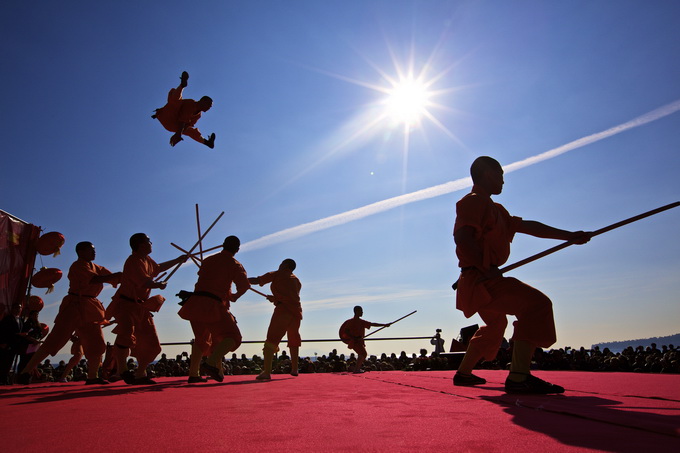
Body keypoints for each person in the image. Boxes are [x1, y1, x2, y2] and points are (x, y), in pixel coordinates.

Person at [452, 156, 591, 394]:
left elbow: (528, 226)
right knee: (536, 305)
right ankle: (519, 377)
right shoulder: (473, 202)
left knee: (496, 325)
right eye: (501, 175)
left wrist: (569, 236)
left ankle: (463, 374)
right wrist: (485, 268)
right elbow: (462, 238)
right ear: (488, 174)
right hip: (483, 279)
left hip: (479, 278)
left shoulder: (496, 210)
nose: (503, 182)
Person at [18, 242, 122, 385]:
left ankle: (92, 376)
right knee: (54, 340)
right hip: (74, 306)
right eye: (91, 250)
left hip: (90, 309)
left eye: (94, 250)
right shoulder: (77, 266)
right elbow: (94, 279)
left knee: (97, 343)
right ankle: (26, 371)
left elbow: (112, 277)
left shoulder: (97, 267)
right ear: (80, 251)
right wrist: (116, 275)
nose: (94, 252)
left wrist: (129, 277)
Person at [106, 233, 186, 385]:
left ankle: (140, 372)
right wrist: (158, 285)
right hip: (126, 305)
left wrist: (177, 260)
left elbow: (158, 268)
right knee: (126, 335)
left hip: (141, 307)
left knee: (153, 344)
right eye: (149, 241)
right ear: (141, 244)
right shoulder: (133, 261)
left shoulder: (146, 260)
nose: (151, 243)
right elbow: (143, 282)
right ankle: (122, 371)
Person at [178, 236, 249, 383]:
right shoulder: (235, 264)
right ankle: (211, 363)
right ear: (237, 249)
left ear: (222, 245)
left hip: (195, 303)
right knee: (233, 337)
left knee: (201, 339)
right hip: (213, 304)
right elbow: (244, 286)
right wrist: (234, 296)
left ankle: (194, 373)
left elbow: (203, 275)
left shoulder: (208, 260)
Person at [248, 258, 302, 380]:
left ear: (286, 266)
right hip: (296, 312)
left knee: (271, 340)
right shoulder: (297, 281)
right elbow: (290, 296)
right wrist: (276, 299)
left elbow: (258, 280)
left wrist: (243, 280)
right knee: (293, 338)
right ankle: (294, 368)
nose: (279, 265)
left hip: (283, 311)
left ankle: (267, 372)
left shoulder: (278, 274)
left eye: (281, 263)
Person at [152, 71, 216, 149]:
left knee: (190, 130)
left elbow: (187, 125)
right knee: (175, 101)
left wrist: (179, 133)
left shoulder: (198, 115)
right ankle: (182, 86)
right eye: (208, 105)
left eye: (210, 107)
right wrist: (178, 134)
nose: (209, 108)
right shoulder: (191, 103)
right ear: (202, 101)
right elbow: (183, 119)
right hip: (169, 117)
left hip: (173, 125)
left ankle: (208, 143)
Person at [339, 306, 391, 373]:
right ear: (356, 312)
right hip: (355, 341)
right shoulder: (351, 322)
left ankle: (356, 369)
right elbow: (346, 331)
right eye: (361, 311)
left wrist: (384, 325)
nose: (362, 312)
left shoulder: (361, 322)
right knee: (363, 353)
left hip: (358, 341)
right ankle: (356, 369)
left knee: (362, 354)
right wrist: (354, 337)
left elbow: (372, 324)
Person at [0, 302, 24, 384]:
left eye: (19, 308)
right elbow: (3, 331)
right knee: (4, 362)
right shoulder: (8, 318)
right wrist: (3, 342)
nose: (18, 310)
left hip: (15, 345)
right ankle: (3, 379)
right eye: (16, 308)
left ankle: (6, 379)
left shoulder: (20, 320)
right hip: (7, 344)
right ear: (12, 309)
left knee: (10, 362)